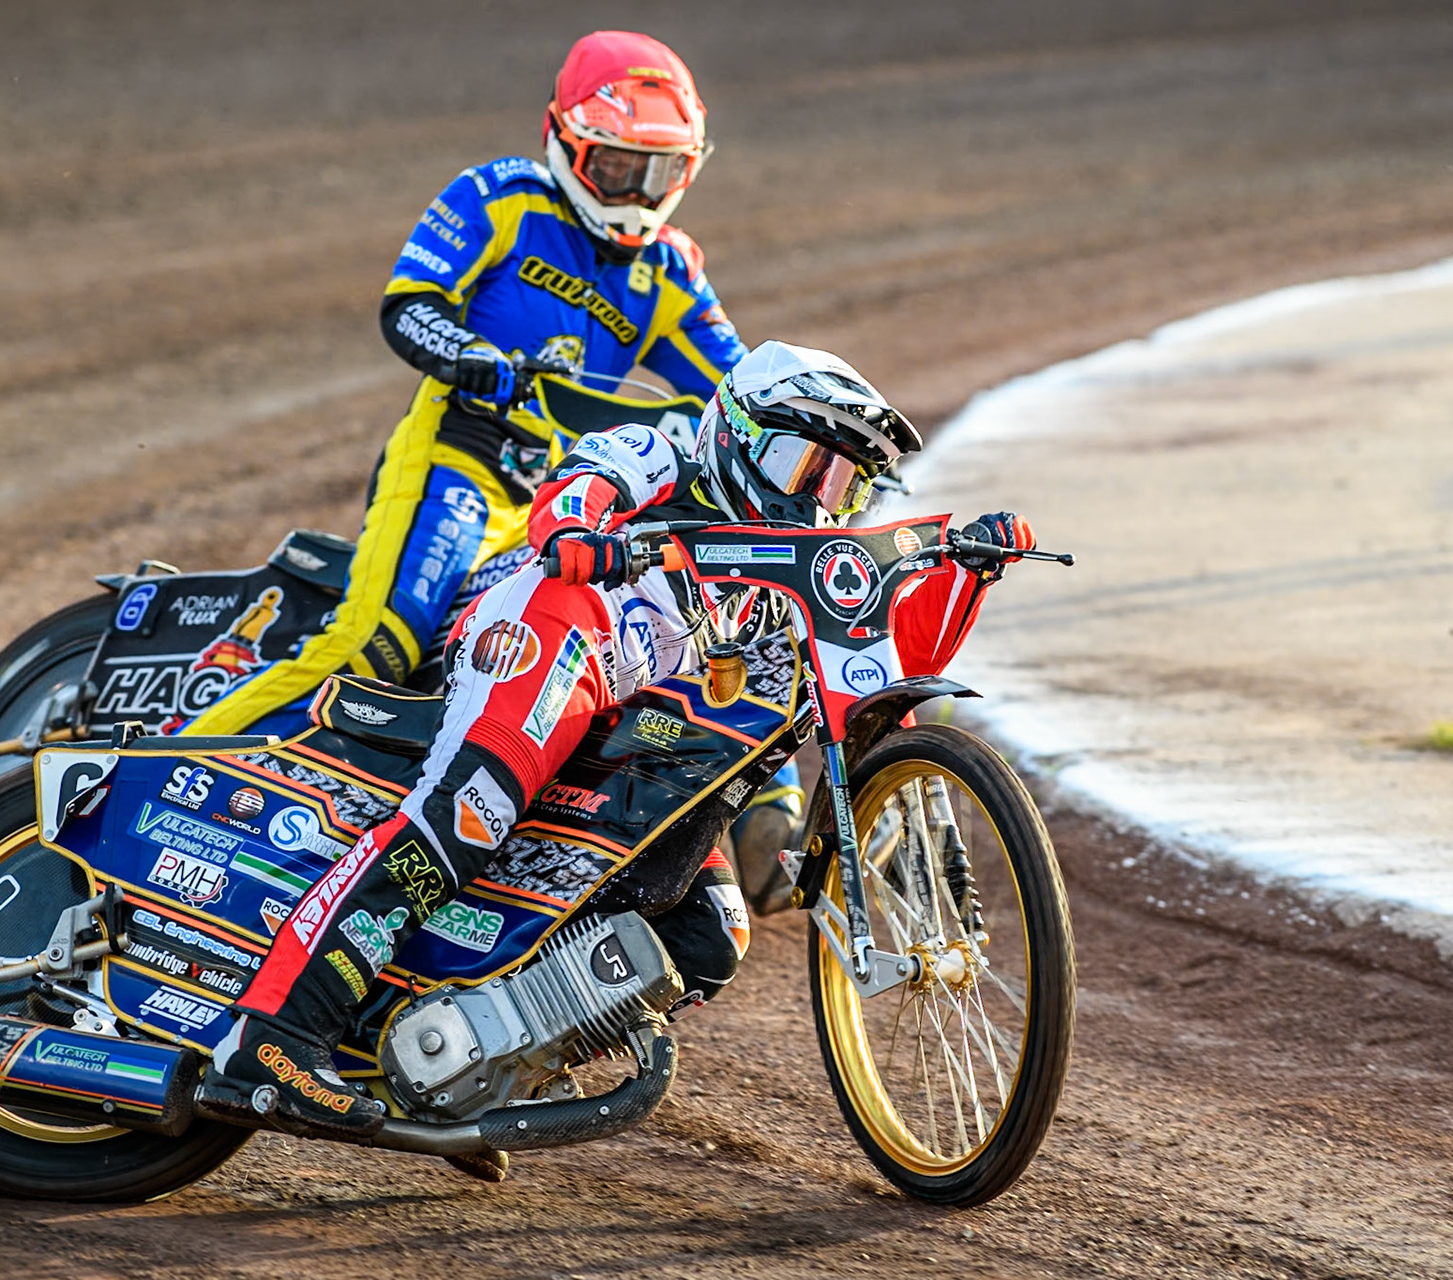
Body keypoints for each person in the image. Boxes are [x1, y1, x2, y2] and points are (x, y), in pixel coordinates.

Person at [197, 340, 1038, 1143]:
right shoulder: (661, 453)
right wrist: (578, 534)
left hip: (627, 723)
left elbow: (885, 669)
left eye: (844, 485)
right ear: (738, 433)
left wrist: (971, 569)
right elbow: (580, 488)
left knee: (710, 930)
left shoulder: (776, 585)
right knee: (465, 816)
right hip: (550, 634)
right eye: (802, 465)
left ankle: (478, 1069)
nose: (817, 500)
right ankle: (273, 1035)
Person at [179, 29, 803, 897]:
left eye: (659, 173)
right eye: (617, 168)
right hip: (459, 457)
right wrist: (468, 354)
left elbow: (739, 392)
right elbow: (410, 304)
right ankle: (150, 778)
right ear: (565, 142)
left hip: (569, 493)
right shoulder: (498, 197)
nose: (637, 195)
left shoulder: (671, 270)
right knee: (379, 642)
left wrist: (819, 440)